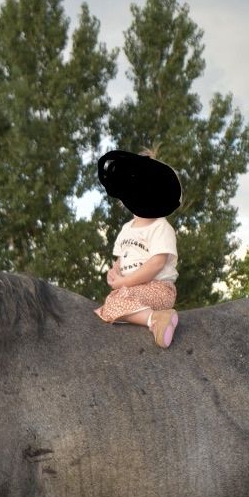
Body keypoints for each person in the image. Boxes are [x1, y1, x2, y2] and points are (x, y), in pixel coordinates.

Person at [95, 149, 183, 349]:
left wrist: (125, 283)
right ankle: (150, 317)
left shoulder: (161, 227)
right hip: (133, 290)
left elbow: (156, 263)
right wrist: (115, 273)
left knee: (114, 302)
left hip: (159, 289)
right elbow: (121, 259)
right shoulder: (127, 229)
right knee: (112, 303)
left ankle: (155, 319)